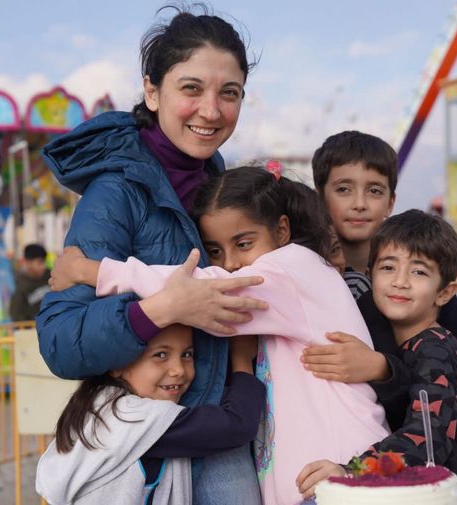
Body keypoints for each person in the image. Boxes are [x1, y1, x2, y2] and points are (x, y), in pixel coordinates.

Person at [48, 166, 392, 504]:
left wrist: (94, 271)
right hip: (316, 479)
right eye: (215, 251)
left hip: (342, 470)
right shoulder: (283, 280)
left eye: (243, 243)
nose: (231, 263)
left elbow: (205, 289)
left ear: (282, 231)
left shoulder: (293, 266)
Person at [35, 6, 268, 503]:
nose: (211, 110)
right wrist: (162, 309)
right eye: (191, 88)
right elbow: (59, 341)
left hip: (218, 426)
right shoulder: (116, 193)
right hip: (147, 441)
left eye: (229, 93)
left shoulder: (220, 188)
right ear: (152, 91)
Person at [301, 130, 457, 436]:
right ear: (320, 197)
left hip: (417, 444)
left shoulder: (423, 285)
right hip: (337, 434)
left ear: (391, 202)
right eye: (344, 189)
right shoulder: (309, 278)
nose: (360, 203)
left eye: (374, 191)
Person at [296, 210, 457, 498]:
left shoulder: (434, 349)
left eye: (418, 272)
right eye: (388, 268)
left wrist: (351, 470)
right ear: (370, 276)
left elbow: (428, 439)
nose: (400, 281)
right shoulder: (415, 345)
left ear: (445, 293)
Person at [36, 324, 265, 505]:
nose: (177, 370)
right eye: (161, 355)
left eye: (187, 354)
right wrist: (242, 359)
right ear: (118, 364)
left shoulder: (99, 407)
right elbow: (236, 425)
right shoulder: (137, 419)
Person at [9, 243, 51, 322]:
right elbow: (16, 314)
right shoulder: (21, 285)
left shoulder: (52, 276)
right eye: (39, 263)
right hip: (32, 330)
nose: (43, 266)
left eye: (44, 262)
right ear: (28, 263)